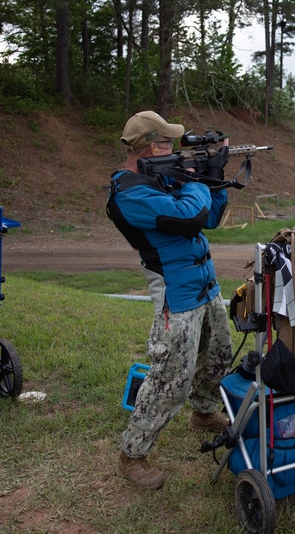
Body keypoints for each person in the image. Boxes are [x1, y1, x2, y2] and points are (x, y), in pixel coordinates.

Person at [106, 110, 233, 490]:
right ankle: (133, 453)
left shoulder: (161, 177)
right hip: (175, 295)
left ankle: (205, 412)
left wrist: (215, 177)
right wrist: (194, 179)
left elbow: (210, 216)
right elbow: (188, 217)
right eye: (167, 143)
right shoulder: (130, 193)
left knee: (219, 356)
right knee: (170, 380)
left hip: (205, 286)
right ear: (149, 147)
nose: (174, 149)